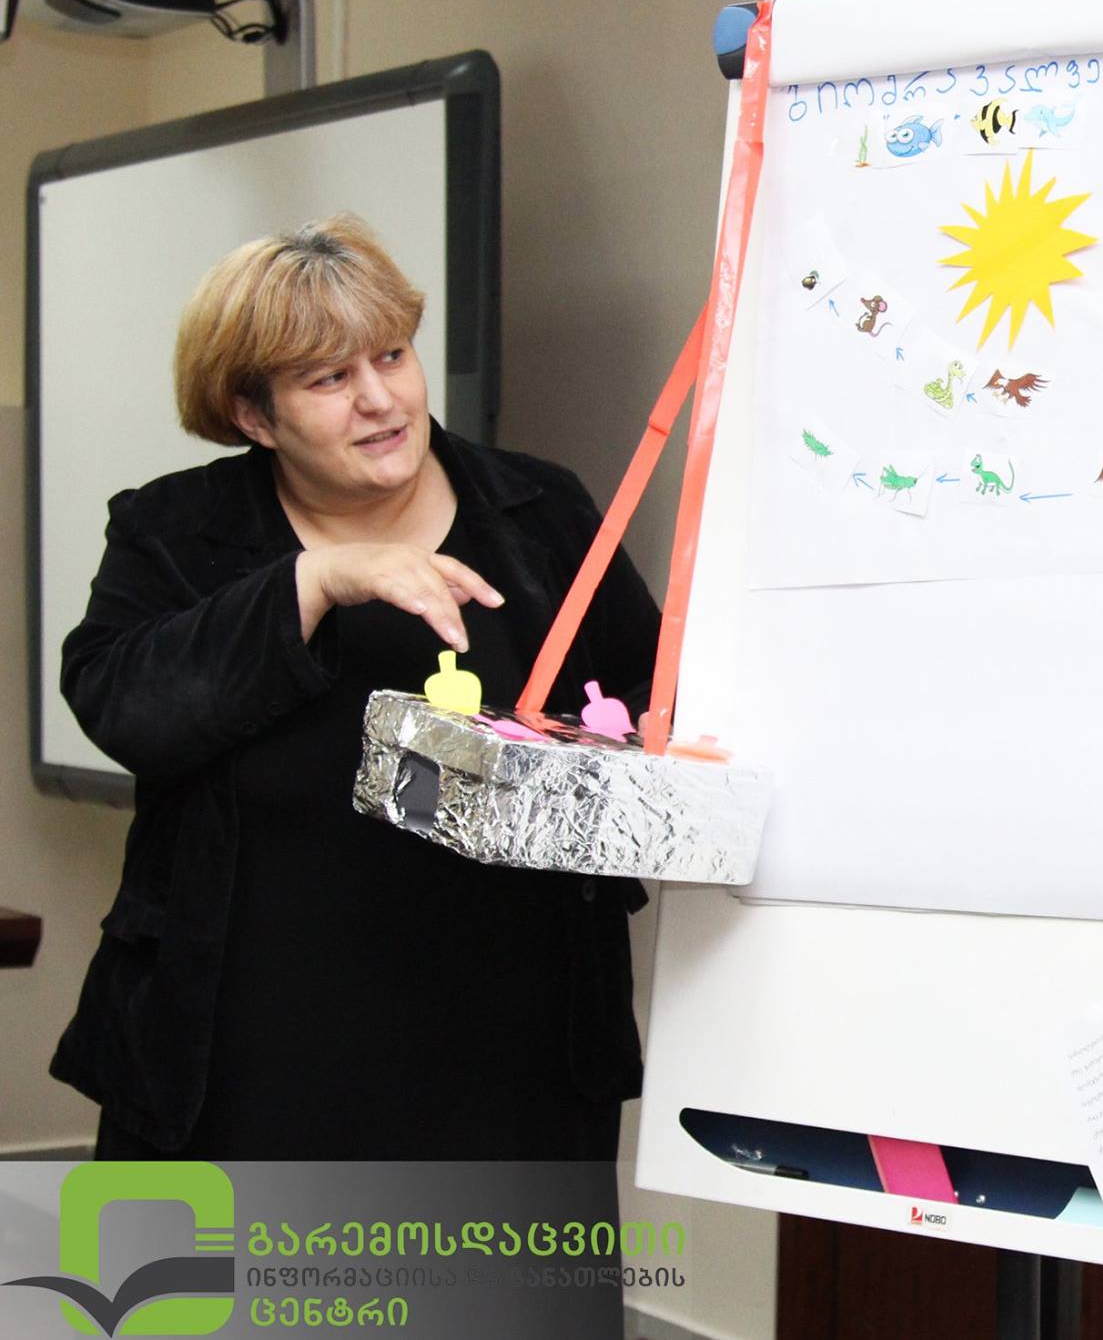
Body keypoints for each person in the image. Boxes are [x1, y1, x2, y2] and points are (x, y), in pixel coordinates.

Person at [53, 215, 662, 1166]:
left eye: (391, 356)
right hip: (241, 1065)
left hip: (509, 1062)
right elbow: (124, 703)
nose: (380, 399)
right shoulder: (175, 529)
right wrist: (316, 581)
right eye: (328, 379)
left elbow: (649, 694)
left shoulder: (541, 511)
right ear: (255, 416)